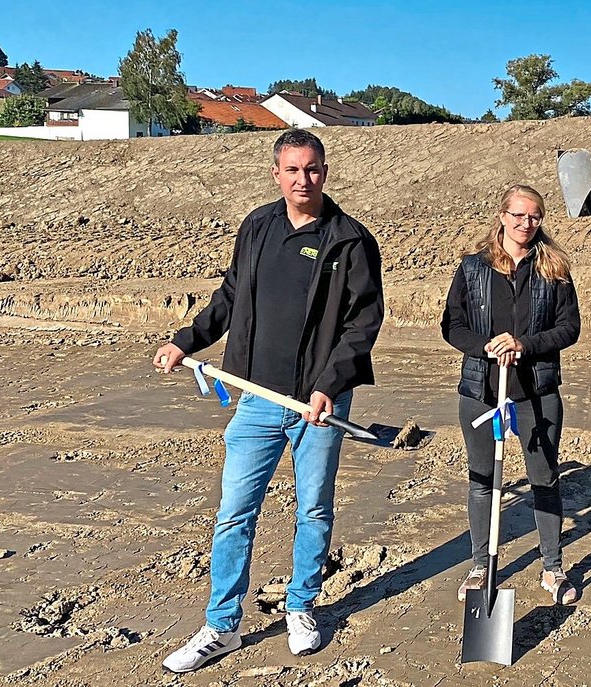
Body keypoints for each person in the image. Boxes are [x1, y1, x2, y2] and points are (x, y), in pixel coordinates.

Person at [153, 129, 385, 673]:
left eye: (313, 169)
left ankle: (302, 607)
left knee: (313, 509)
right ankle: (221, 625)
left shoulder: (350, 240)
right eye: (293, 170)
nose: (303, 180)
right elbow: (230, 295)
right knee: (234, 512)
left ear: (324, 171)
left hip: (319, 404)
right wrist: (186, 340)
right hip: (256, 398)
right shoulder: (257, 227)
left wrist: (330, 384)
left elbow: (362, 323)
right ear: (276, 173)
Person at [441, 184, 582, 605]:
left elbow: (569, 328)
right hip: (481, 390)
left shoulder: (554, 268)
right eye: (518, 215)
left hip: (536, 391)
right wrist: (485, 345)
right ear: (502, 216)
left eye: (534, 216)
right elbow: (452, 324)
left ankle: (553, 568)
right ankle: (481, 566)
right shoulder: (472, 268)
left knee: (544, 478)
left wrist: (524, 345)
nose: (526, 224)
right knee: (483, 480)